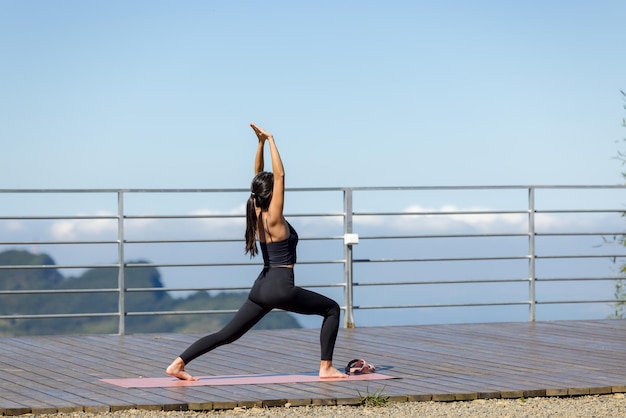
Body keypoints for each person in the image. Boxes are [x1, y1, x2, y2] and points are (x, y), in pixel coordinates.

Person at [166, 123, 347, 380]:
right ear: (272, 195)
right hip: (280, 286)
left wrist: (259, 143)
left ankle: (178, 364)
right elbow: (280, 176)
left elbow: (258, 176)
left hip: (260, 287)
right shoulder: (274, 216)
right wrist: (272, 139)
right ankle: (326, 367)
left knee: (227, 334)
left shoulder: (254, 209)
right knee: (331, 309)